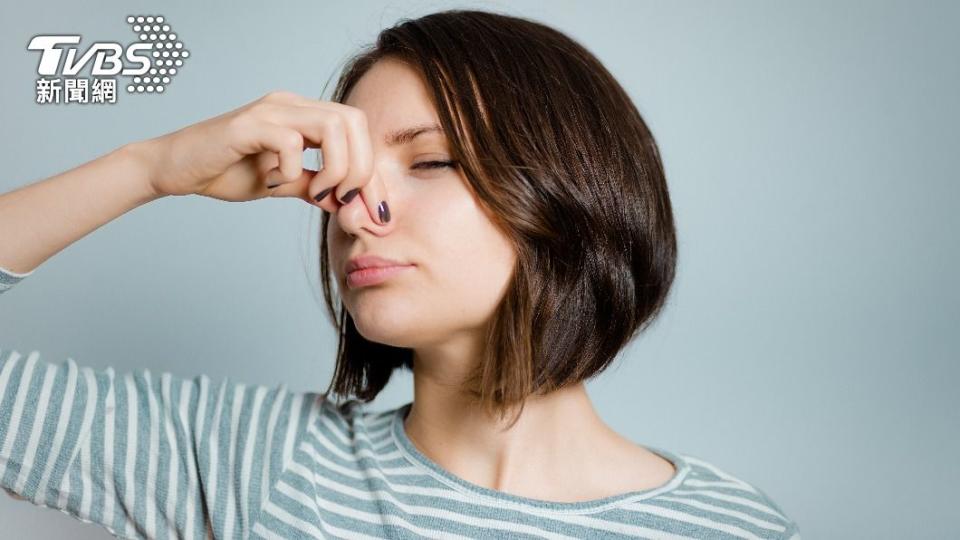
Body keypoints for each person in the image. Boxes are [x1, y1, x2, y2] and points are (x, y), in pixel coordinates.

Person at [0, 8, 801, 540]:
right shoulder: (264, 464)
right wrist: (150, 167)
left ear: (572, 191)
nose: (353, 211)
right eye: (342, 181)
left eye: (428, 161)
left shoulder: (728, 526)